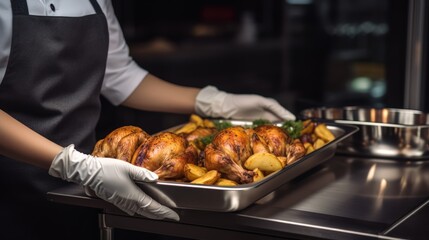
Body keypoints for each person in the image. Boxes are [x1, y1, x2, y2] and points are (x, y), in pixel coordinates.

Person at [0, 0, 295, 239]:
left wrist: (213, 100)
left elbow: (120, 77)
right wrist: (74, 165)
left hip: (90, 185)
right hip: (14, 191)